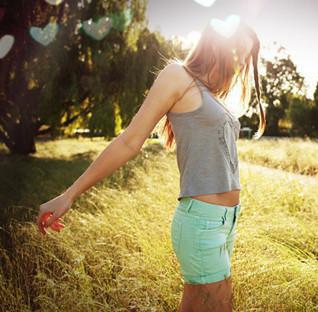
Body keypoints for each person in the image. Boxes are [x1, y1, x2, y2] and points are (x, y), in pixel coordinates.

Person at [37, 17, 265, 312]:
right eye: (236, 51)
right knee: (221, 306)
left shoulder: (213, 96)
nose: (238, 63)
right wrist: (70, 194)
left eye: (244, 57)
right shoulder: (177, 76)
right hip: (202, 223)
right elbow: (129, 142)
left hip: (227, 221)